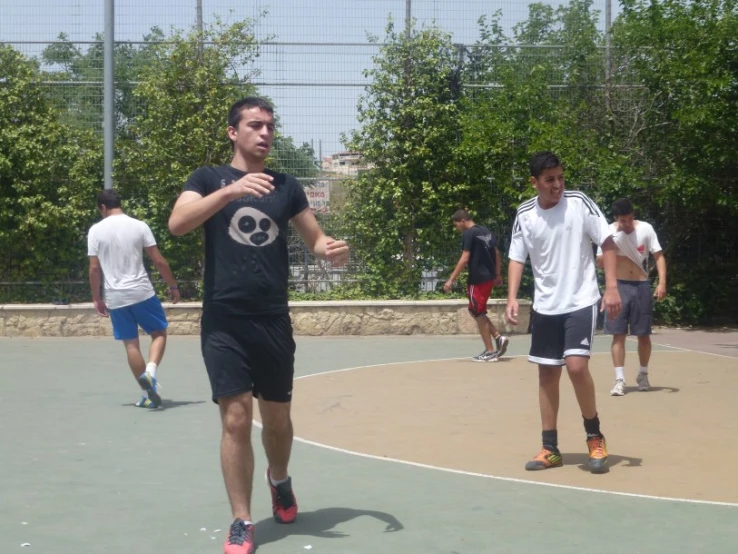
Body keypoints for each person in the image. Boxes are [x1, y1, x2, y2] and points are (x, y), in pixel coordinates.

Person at [168, 97, 350, 554]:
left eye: (270, 126)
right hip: (223, 320)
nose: (265, 133)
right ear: (233, 132)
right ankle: (241, 520)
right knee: (234, 418)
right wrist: (230, 192)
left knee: (278, 420)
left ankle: (280, 479)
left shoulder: (286, 186)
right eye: (255, 125)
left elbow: (315, 239)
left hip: (272, 320)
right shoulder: (207, 179)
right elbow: (177, 224)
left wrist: (329, 248)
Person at [505, 151, 622, 474]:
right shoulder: (525, 214)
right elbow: (517, 258)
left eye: (560, 177)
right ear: (534, 182)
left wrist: (611, 287)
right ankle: (550, 447)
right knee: (547, 373)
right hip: (545, 305)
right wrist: (512, 297)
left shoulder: (579, 203)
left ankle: (594, 437)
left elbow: (607, 242)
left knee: (576, 366)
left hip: (581, 300)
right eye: (549, 180)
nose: (557, 185)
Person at [87, 188, 180, 409]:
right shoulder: (140, 226)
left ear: (103, 207)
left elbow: (93, 269)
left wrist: (97, 298)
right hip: (142, 292)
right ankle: (151, 372)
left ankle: (148, 393)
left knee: (131, 345)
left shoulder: (95, 231)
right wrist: (173, 286)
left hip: (116, 297)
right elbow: (158, 260)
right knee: (159, 333)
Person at [596, 198, 667, 396]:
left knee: (643, 335)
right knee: (618, 335)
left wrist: (661, 283)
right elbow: (599, 262)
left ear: (633, 214)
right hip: (617, 287)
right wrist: (616, 253)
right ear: (615, 218)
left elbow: (659, 256)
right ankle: (619, 380)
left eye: (629, 219)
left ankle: (643, 374)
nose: (626, 224)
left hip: (641, 286)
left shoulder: (646, 229)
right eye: (622, 221)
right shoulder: (608, 233)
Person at [443, 209, 509, 361]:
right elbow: (497, 253)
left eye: (457, 225)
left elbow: (465, 258)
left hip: (477, 280)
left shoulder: (469, 233)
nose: (457, 228)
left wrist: (451, 279)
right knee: (476, 311)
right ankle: (498, 338)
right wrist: (497, 274)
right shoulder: (486, 231)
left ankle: (490, 351)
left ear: (462, 221)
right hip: (488, 279)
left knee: (477, 313)